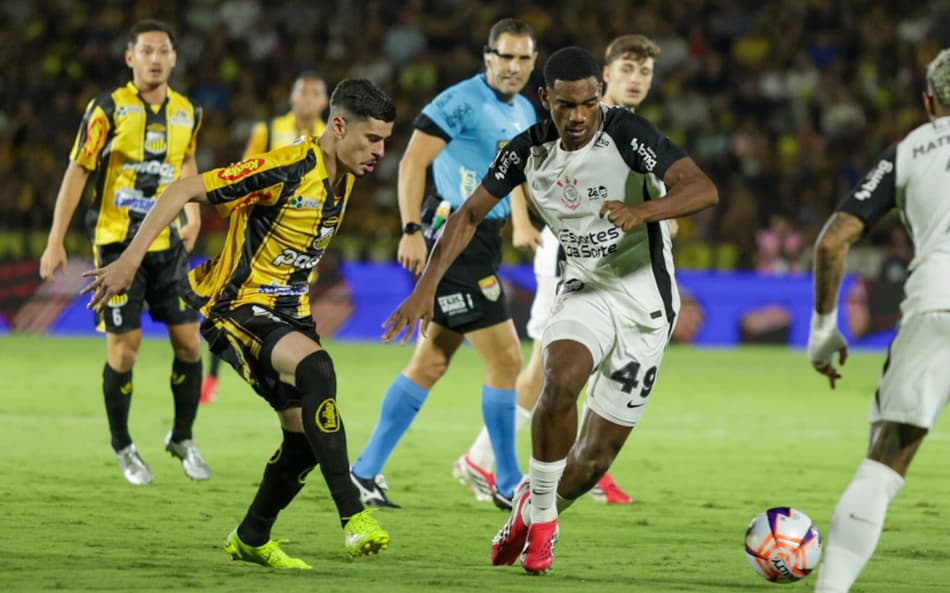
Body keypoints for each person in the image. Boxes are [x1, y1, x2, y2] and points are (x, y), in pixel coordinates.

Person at [382, 46, 718, 574]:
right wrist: (425, 288)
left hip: (646, 307)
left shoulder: (628, 134)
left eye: (588, 103)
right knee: (560, 380)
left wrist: (643, 211)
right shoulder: (526, 150)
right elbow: (468, 215)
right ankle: (541, 524)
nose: (578, 116)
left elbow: (702, 188)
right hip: (585, 289)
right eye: (565, 105)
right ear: (546, 100)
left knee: (592, 460)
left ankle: (530, 510)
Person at [82, 79, 396, 569]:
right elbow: (185, 188)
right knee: (318, 370)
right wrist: (128, 259)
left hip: (290, 313)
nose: (379, 151)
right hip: (237, 306)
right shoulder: (286, 165)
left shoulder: (347, 176)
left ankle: (251, 536)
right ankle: (353, 515)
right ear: (338, 126)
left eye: (384, 142)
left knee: (304, 438)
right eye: (372, 139)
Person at [455, 33, 663, 506]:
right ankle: (489, 459)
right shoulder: (574, 114)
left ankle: (570, 459)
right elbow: (519, 158)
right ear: (605, 74)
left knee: (584, 363)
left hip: (612, 260)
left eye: (644, 72)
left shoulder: (627, 128)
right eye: (627, 70)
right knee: (550, 369)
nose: (635, 80)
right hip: (570, 258)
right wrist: (523, 219)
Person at [349, 18, 540, 510]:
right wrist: (411, 228)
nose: (513, 66)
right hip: (456, 236)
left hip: (486, 238)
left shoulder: (523, 110)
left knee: (430, 362)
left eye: (522, 58)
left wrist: (519, 220)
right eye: (505, 56)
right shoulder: (460, 102)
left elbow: (511, 174)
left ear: (532, 63)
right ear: (487, 57)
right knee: (507, 359)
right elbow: (412, 161)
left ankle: (364, 472)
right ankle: (506, 481)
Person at [38, 19, 209, 486]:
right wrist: (56, 239)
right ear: (129, 58)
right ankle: (123, 445)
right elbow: (78, 172)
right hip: (116, 246)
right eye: (146, 51)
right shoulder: (106, 110)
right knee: (125, 352)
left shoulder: (188, 112)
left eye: (163, 51)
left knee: (190, 344)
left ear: (174, 57)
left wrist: (192, 214)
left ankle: (183, 436)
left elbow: (187, 161)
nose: (155, 59)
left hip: (168, 245)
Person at [807, 48, 950, 593]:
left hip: (939, 301)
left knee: (885, 462)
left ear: (929, 101)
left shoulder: (910, 148)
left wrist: (824, 329)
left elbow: (833, 240)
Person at [200, 71, 329, 405]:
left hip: (297, 242)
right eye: (303, 92)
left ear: (325, 102)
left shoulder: (328, 137)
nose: (308, 99)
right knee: (230, 302)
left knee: (291, 307)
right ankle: (213, 376)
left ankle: (285, 379)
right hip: (257, 237)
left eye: (315, 94)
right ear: (292, 98)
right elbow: (244, 178)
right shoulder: (269, 131)